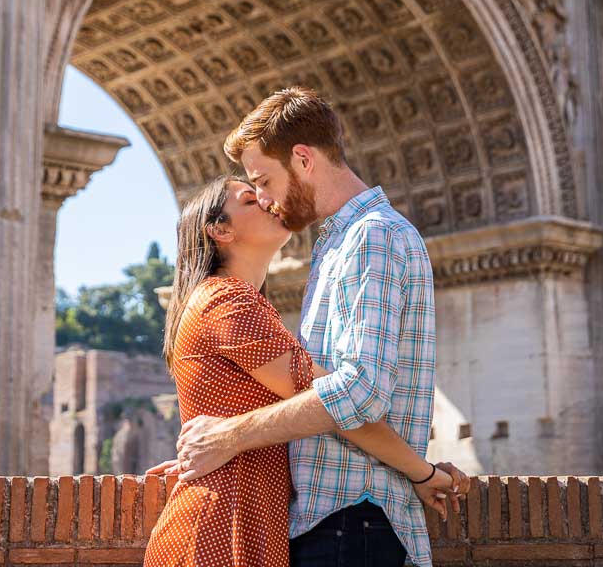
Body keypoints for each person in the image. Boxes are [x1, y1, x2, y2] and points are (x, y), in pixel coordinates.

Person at [169, 87, 447, 567]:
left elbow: (358, 392)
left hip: (348, 517)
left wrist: (227, 437)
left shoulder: (371, 238)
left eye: (262, 181)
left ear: (302, 159)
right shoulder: (335, 245)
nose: (262, 197)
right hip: (329, 521)